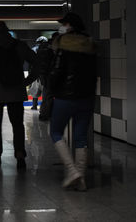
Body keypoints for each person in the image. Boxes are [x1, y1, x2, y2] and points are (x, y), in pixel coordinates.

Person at [0, 21, 38, 169]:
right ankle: (20, 153)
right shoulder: (20, 46)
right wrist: (28, 80)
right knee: (17, 125)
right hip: (16, 91)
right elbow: (38, 63)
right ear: (7, 31)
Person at [48, 13, 96, 191]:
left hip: (65, 97)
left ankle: (72, 171)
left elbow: (57, 70)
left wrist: (51, 89)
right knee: (80, 136)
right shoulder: (90, 44)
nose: (62, 26)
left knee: (55, 132)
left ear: (71, 25)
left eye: (64, 24)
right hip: (87, 98)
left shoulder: (63, 44)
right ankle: (81, 180)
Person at [35, 32, 59, 121]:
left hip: (44, 76)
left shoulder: (43, 48)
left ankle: (44, 113)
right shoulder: (51, 48)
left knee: (46, 95)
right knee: (49, 95)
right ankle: (46, 114)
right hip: (50, 76)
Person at [30, 36, 48, 110]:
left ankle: (34, 105)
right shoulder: (48, 50)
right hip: (45, 74)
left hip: (35, 74)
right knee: (45, 92)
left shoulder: (33, 49)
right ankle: (44, 108)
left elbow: (31, 63)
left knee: (35, 90)